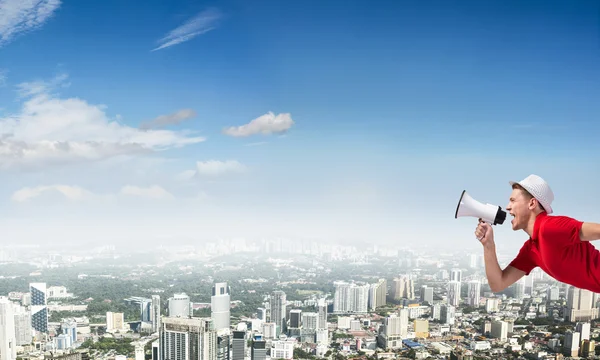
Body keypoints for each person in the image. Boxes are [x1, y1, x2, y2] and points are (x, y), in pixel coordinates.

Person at [475, 174, 600, 293]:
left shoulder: (550, 227)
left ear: (532, 203)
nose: (508, 207)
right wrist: (488, 245)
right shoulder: (531, 250)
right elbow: (498, 284)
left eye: (513, 200)